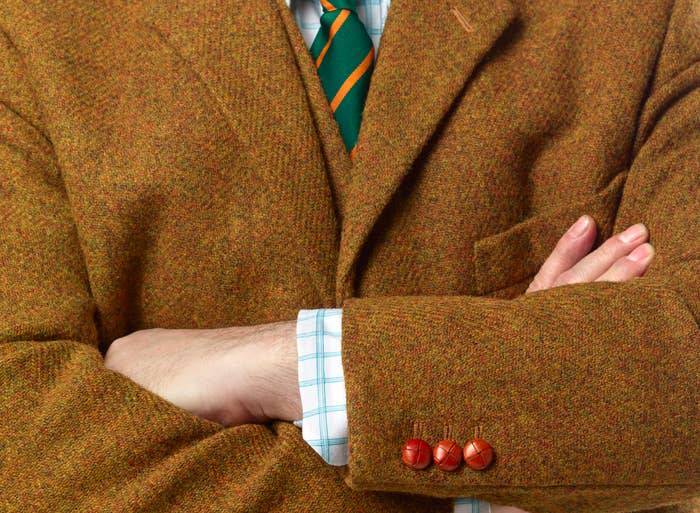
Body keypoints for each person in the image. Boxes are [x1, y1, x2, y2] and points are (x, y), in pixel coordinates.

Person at [0, 0, 697, 512]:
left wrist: (294, 362)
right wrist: (517, 447)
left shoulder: (657, 17)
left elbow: (687, 372)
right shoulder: (30, 29)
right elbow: (21, 439)